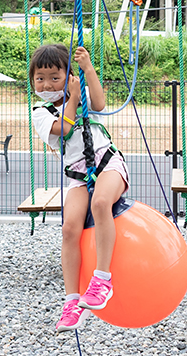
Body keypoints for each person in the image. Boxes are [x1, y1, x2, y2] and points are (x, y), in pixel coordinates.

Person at [30, 43, 129, 333]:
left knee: (100, 204)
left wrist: (88, 69)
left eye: (54, 77)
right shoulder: (40, 112)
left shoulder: (80, 94)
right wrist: (71, 98)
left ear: (68, 75)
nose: (47, 84)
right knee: (69, 229)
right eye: (40, 78)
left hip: (106, 163)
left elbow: (98, 104)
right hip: (77, 175)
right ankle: (72, 301)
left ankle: (101, 280)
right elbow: (65, 127)